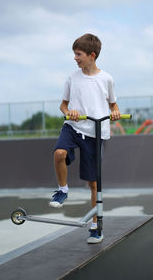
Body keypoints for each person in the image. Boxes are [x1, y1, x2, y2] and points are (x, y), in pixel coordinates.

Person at [49, 33, 121, 243]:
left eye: (78, 54)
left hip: (94, 132)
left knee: (93, 183)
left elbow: (113, 105)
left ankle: (96, 224)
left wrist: (115, 112)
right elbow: (63, 104)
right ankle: (62, 190)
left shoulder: (106, 79)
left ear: (92, 55)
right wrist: (68, 111)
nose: (75, 58)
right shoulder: (72, 78)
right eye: (74, 54)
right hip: (73, 126)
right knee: (59, 153)